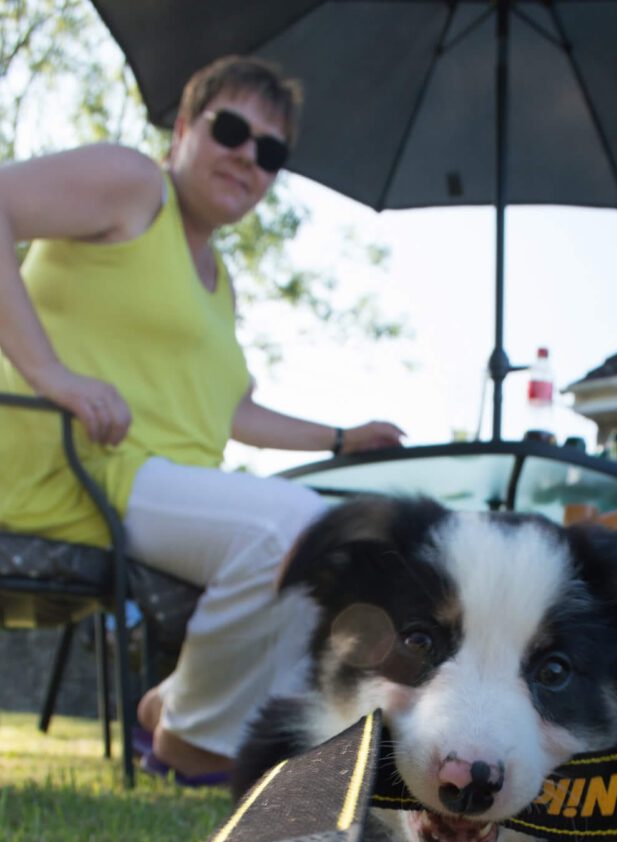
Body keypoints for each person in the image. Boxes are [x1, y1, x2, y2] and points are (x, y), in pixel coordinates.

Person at [0, 55, 404, 781]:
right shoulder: (133, 187)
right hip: (73, 465)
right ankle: (194, 741)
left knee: (335, 547)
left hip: (154, 486)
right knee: (297, 529)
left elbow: (234, 411)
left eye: (271, 152)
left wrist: (344, 438)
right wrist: (51, 373)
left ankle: (200, 721)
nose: (249, 157)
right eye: (231, 130)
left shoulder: (219, 282)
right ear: (183, 128)